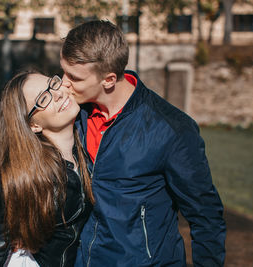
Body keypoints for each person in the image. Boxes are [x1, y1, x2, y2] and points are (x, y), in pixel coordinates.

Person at [60, 20, 226, 266]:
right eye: (63, 71)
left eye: (74, 77)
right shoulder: (73, 114)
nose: (64, 83)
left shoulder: (172, 130)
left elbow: (206, 216)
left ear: (108, 79)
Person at [0, 70, 94, 267]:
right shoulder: (26, 177)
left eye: (53, 84)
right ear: (33, 125)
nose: (58, 94)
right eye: (43, 98)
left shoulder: (90, 143)